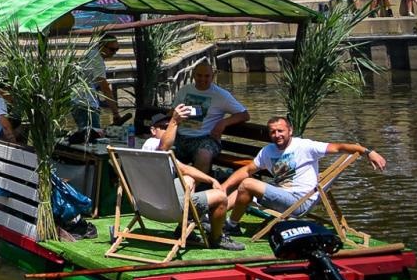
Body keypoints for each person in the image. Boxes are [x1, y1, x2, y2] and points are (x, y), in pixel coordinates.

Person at [223, 115, 385, 225]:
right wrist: (223, 188)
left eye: (281, 131)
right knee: (241, 188)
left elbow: (339, 147)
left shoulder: (305, 146)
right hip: (281, 196)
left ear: (290, 131)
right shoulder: (268, 151)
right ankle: (213, 217)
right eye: (273, 132)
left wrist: (368, 152)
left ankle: (232, 225)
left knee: (247, 184)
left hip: (299, 202)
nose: (277, 135)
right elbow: (247, 170)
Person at [141, 107, 242, 250]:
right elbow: (164, 146)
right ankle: (217, 238)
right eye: (164, 127)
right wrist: (174, 121)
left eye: (170, 126)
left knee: (188, 179)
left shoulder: (147, 149)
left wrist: (211, 180)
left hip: (145, 205)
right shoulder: (154, 145)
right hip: (166, 208)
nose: (168, 129)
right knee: (220, 197)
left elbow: (185, 168)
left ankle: (184, 228)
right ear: (153, 130)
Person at [170, 63, 250, 172]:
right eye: (199, 75)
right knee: (159, 149)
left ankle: (197, 186)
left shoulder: (222, 95)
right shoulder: (184, 90)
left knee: (204, 155)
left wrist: (224, 122)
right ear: (193, 75)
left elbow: (244, 114)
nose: (203, 79)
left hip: (206, 138)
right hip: (180, 136)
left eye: (207, 76)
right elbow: (172, 112)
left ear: (213, 76)